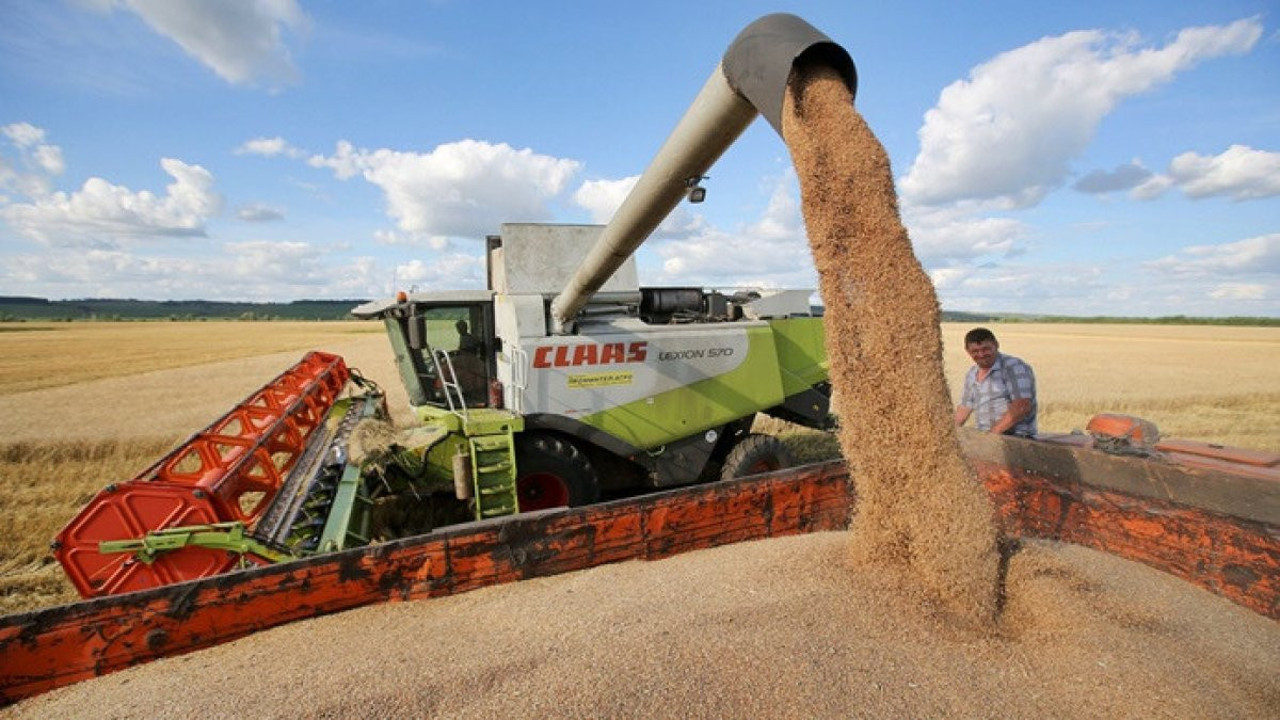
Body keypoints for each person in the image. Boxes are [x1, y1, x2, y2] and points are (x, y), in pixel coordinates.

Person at [953, 327, 1037, 437]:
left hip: (1016, 437)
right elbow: (964, 408)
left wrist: (991, 436)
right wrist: (947, 434)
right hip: (986, 435)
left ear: (996, 345)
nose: (981, 354)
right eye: (975, 351)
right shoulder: (972, 373)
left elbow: (1022, 406)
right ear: (967, 351)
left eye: (986, 349)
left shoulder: (1013, 367)